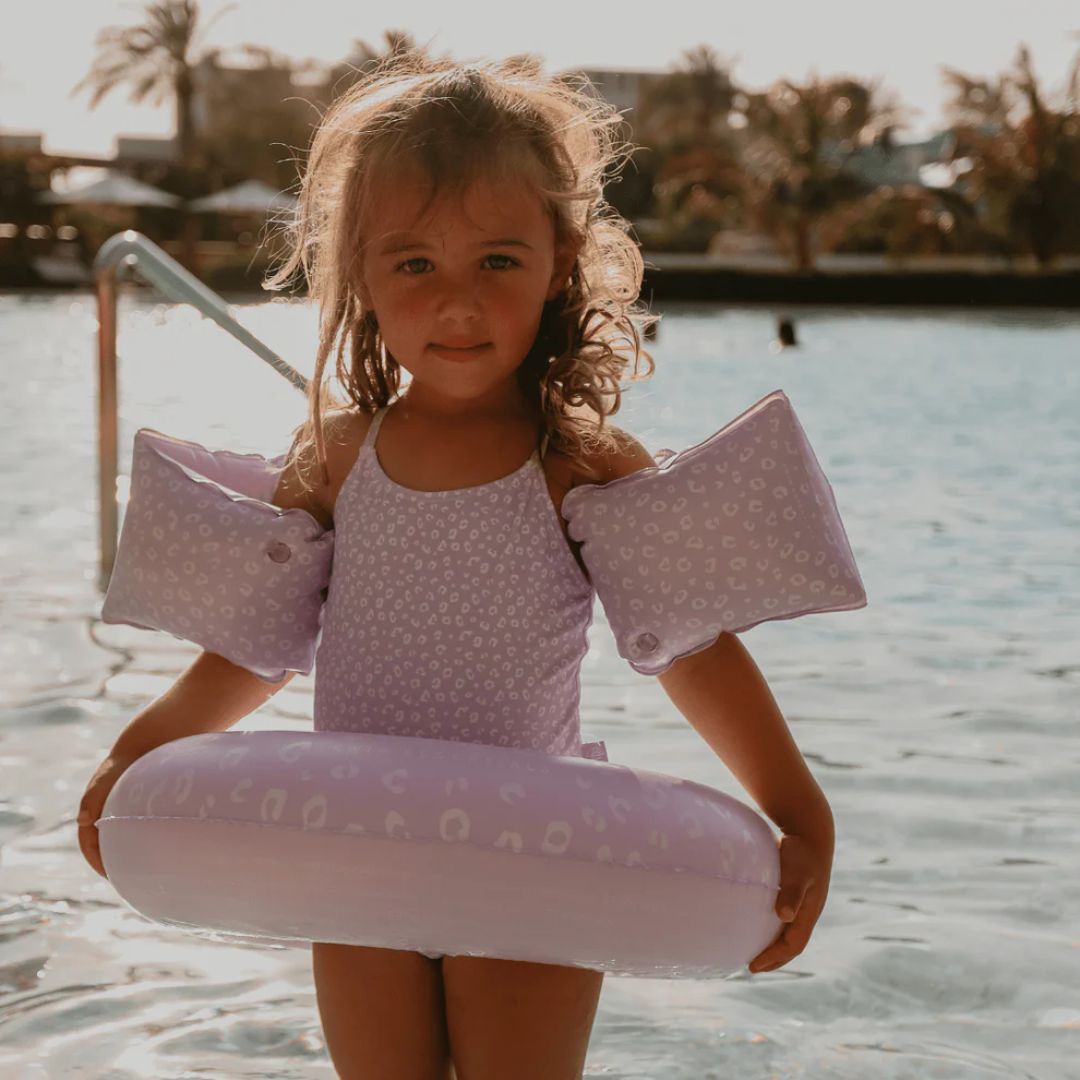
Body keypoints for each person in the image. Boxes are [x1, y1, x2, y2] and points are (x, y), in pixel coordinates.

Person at [78, 53, 835, 1080]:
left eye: (498, 261)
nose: (459, 304)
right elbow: (257, 647)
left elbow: (692, 651)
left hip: (531, 854)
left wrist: (797, 810)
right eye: (415, 266)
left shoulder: (576, 463)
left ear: (560, 262)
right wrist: (137, 750)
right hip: (359, 846)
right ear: (362, 273)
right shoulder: (337, 458)